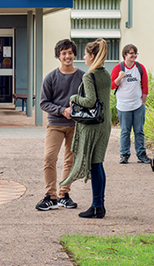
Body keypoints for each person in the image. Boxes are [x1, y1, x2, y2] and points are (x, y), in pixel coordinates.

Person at [59, 38, 111, 219]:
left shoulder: (89, 76)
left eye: (86, 54)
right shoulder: (106, 74)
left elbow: (89, 101)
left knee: (95, 166)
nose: (83, 57)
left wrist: (74, 98)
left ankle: (97, 206)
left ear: (93, 56)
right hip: (104, 124)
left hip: (92, 127)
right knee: (99, 164)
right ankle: (100, 205)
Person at [36, 39, 83, 211]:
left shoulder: (83, 77)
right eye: (64, 53)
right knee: (49, 158)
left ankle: (64, 194)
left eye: (70, 53)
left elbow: (89, 101)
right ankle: (51, 196)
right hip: (55, 124)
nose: (67, 56)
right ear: (58, 56)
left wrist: (77, 109)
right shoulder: (51, 77)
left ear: (74, 54)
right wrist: (62, 110)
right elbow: (43, 103)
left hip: (76, 126)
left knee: (70, 161)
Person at [111, 44, 151, 164]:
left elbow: (145, 85)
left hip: (138, 105)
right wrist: (119, 77)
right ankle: (124, 155)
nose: (134, 55)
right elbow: (112, 85)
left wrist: (143, 101)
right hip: (123, 106)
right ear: (125, 55)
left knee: (139, 130)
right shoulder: (118, 68)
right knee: (125, 131)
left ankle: (141, 155)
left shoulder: (140, 67)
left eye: (135, 53)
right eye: (131, 53)